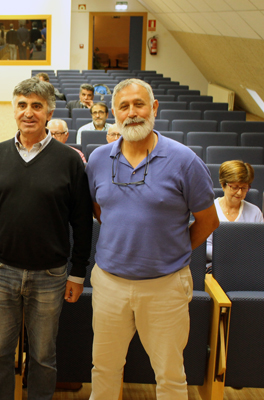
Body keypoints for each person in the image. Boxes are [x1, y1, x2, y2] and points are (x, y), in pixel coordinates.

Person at [85, 78, 219, 400]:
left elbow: (208, 220)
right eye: (124, 107)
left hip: (165, 287)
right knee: (103, 370)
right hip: (109, 285)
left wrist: (171, 249)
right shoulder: (99, 160)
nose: (132, 113)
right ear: (115, 114)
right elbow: (99, 211)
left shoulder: (185, 160)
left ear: (154, 108)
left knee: (170, 377)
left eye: (139, 104)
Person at [0, 77, 93, 400]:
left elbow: (82, 223)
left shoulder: (68, 161)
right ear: (14, 109)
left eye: (36, 106)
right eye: (22, 105)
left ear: (49, 112)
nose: (28, 112)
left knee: (43, 355)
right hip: (1, 271)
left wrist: (78, 272)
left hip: (50, 275)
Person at [206, 160, 264, 272]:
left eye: (244, 188)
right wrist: (231, 257)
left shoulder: (255, 212)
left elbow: (260, 245)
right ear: (223, 185)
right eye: (235, 187)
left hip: (248, 268)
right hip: (216, 267)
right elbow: (205, 247)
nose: (239, 193)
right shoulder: (210, 210)